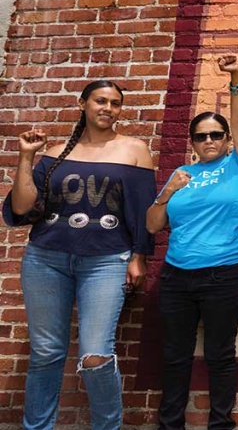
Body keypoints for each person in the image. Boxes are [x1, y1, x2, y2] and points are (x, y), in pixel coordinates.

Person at [3, 80, 156, 430]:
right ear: (83, 103)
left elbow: (141, 210)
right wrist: (27, 157)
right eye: (100, 100)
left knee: (95, 355)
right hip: (45, 259)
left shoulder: (133, 150)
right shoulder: (55, 154)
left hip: (106, 261)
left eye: (115, 103)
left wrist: (139, 257)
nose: (108, 108)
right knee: (46, 353)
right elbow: (23, 208)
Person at [146, 55, 238, 430]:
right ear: (192, 142)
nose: (208, 140)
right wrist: (167, 193)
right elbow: (152, 224)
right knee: (175, 356)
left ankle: (220, 423)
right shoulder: (182, 174)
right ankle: (170, 424)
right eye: (201, 136)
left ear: (226, 140)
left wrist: (237, 78)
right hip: (177, 277)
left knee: (219, 355)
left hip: (224, 275)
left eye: (216, 134)